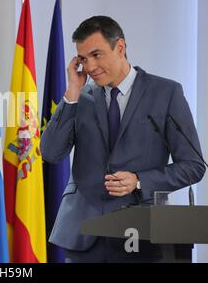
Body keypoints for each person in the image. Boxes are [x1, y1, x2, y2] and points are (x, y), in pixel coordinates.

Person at [40, 16, 206, 263]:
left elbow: (194, 166)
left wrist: (139, 180)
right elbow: (51, 153)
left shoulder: (166, 93)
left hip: (143, 233)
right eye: (83, 59)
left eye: (97, 55)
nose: (91, 66)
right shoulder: (79, 97)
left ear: (120, 47)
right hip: (84, 235)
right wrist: (72, 92)